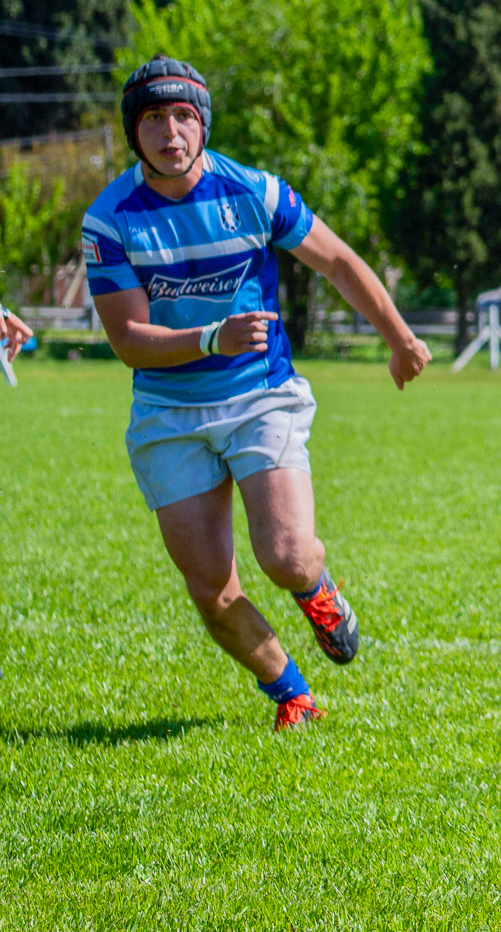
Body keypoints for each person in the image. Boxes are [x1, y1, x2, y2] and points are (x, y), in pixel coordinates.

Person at [81, 57, 433, 730]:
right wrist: (213, 337)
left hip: (259, 396)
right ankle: (292, 694)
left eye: (184, 115)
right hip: (168, 413)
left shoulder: (254, 192)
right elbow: (128, 338)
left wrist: (399, 337)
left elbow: (337, 260)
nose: (171, 131)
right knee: (211, 590)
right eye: (153, 117)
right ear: (135, 131)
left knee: (286, 554)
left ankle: (318, 592)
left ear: (203, 123)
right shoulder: (110, 220)